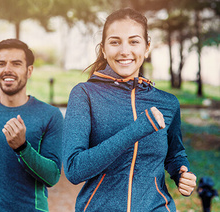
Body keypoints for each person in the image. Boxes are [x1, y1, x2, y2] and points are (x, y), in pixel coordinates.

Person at [63, 8, 197, 212]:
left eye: (134, 41)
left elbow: (174, 154)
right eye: (115, 42)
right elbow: (74, 170)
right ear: (104, 48)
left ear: (147, 48)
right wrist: (137, 129)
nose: (125, 51)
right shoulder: (85, 94)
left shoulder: (167, 102)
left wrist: (181, 173)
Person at [0, 39, 63, 212]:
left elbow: (52, 177)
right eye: (1, 64)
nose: (7, 69)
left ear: (29, 70)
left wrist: (22, 148)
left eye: (16, 64)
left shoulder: (50, 115)